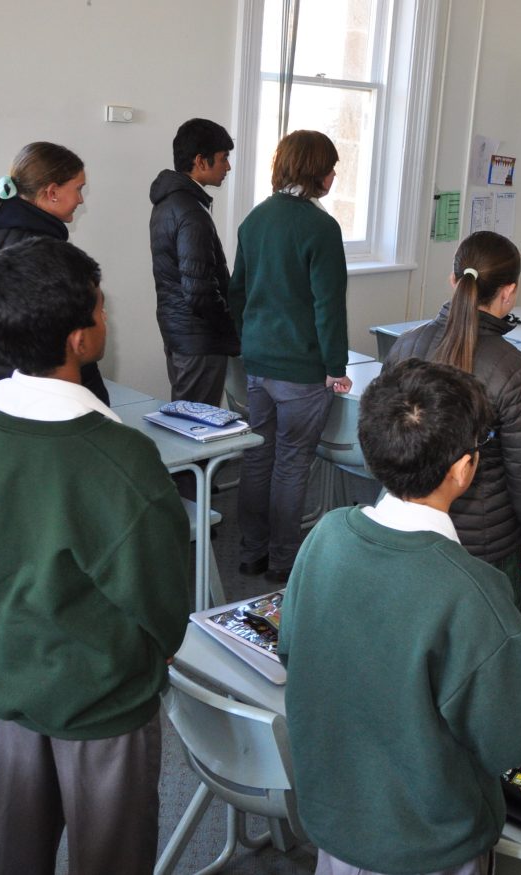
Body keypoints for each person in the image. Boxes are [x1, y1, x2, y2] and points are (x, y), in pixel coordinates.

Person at [0, 237, 191, 875]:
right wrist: (161, 646)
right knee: (109, 855)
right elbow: (161, 595)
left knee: (10, 851)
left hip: (9, 680)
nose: (105, 316)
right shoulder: (118, 456)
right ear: (79, 339)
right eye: (100, 307)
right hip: (101, 698)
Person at [278, 358, 521, 875]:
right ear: (463, 469)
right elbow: (514, 736)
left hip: (335, 819)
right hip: (429, 846)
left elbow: (292, 650)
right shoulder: (472, 593)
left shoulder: (325, 537)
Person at [383, 231, 521, 611]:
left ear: (453, 280)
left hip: (407, 530)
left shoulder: (406, 346)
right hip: (485, 547)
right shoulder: (517, 372)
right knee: (486, 656)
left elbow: (382, 443)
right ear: (508, 293)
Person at [229, 129, 349, 583]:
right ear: (314, 172)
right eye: (331, 168)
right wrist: (336, 369)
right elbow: (328, 305)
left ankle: (250, 552)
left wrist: (250, 341)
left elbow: (237, 292)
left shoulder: (255, 220)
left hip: (257, 363)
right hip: (301, 370)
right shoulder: (321, 228)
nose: (334, 176)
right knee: (293, 462)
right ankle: (282, 561)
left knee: (258, 457)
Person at [0, 142, 108, 404]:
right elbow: (60, 338)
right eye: (78, 189)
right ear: (51, 192)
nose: (81, 199)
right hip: (41, 402)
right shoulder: (35, 253)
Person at [149, 118, 240, 403]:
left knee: (185, 420)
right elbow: (199, 292)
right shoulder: (190, 211)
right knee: (195, 428)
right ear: (201, 161)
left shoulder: (169, 202)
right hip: (198, 340)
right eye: (223, 158)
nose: (228, 167)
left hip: (180, 333)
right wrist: (231, 327)